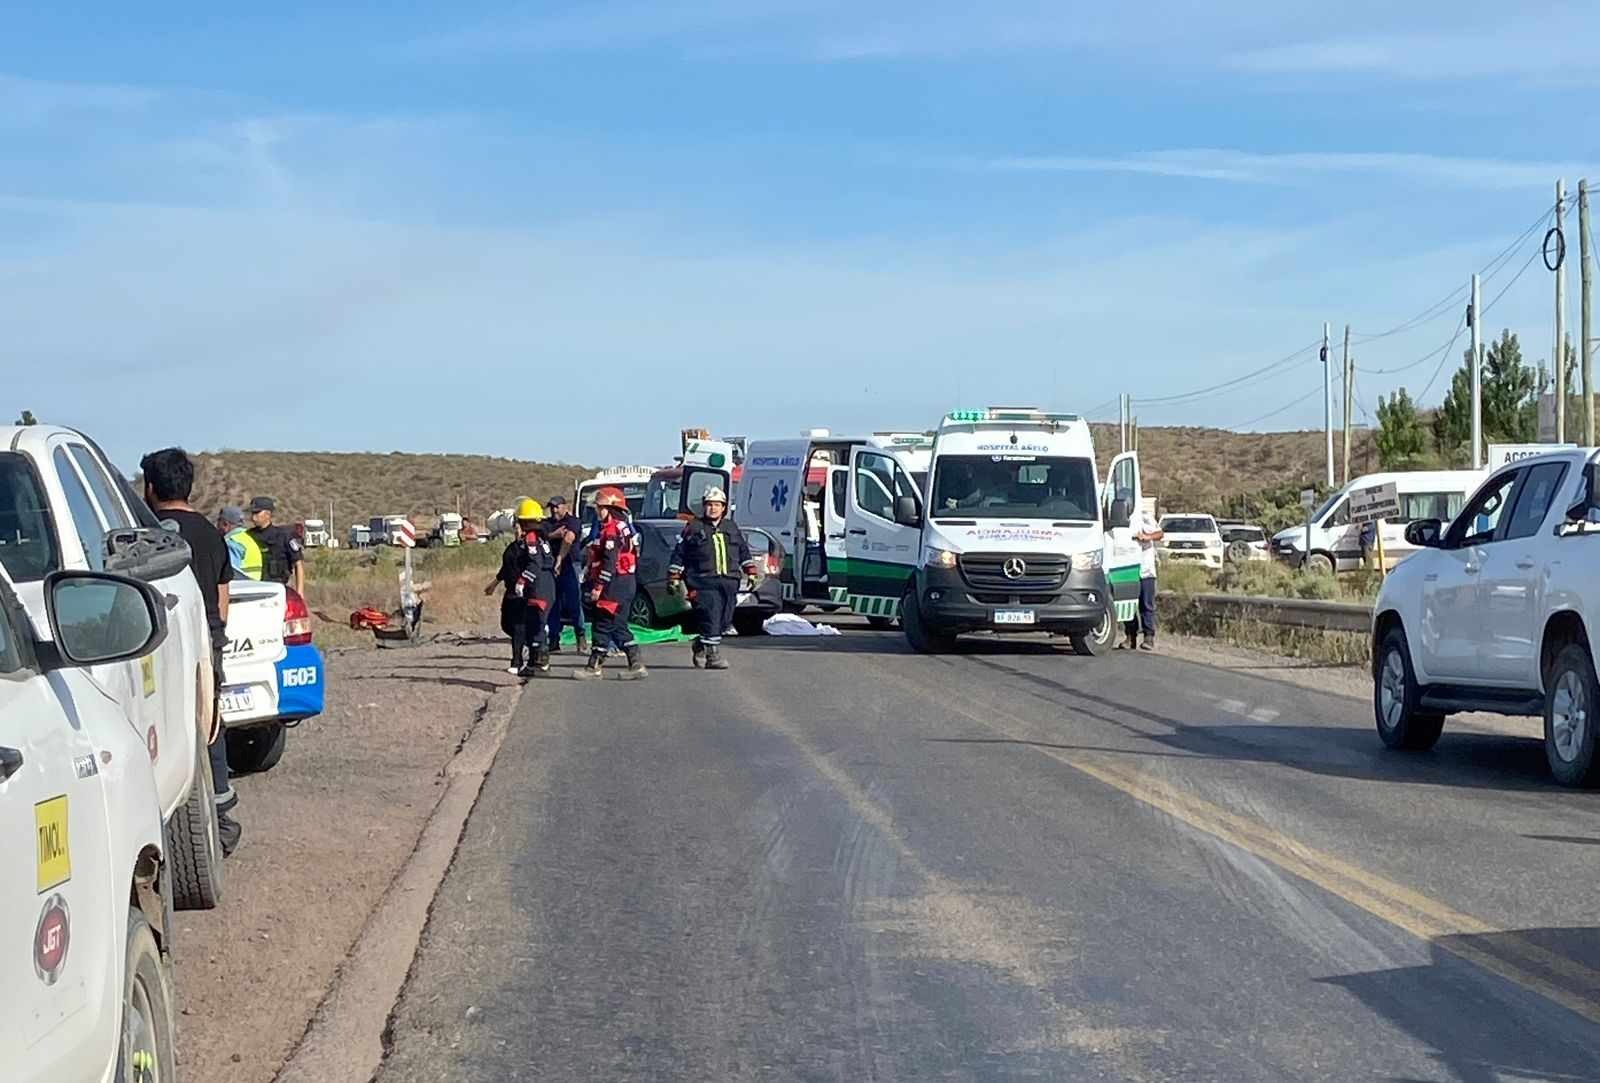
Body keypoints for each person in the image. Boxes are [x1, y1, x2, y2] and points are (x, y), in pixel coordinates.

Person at [141, 448, 242, 855]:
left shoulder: (147, 532)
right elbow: (222, 598)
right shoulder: (211, 534)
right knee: (209, 725)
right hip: (206, 642)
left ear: (150, 487)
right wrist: (215, 640)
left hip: (156, 643)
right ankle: (220, 814)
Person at [669, 486, 758, 671]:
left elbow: (742, 550)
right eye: (709, 505)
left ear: (724, 507)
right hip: (703, 582)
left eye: (717, 505)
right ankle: (713, 656)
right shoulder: (693, 527)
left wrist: (750, 571)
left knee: (724, 621)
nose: (713, 508)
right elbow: (679, 553)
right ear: (704, 506)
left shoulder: (731, 527)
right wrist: (674, 576)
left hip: (729, 581)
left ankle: (700, 644)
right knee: (711, 616)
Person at [574, 486, 647, 680]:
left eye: (599, 507)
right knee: (618, 625)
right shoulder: (622, 528)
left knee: (603, 624)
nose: (597, 511)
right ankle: (636, 663)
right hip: (625, 583)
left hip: (614, 585)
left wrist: (598, 587)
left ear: (611, 508)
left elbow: (610, 561)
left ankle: (594, 667)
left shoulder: (613, 531)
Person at [485, 499, 555, 675]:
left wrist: (522, 581)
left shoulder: (531, 537)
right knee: (535, 624)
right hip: (546, 584)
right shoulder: (542, 537)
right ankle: (536, 663)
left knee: (535, 627)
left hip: (538, 586)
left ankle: (537, 664)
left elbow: (535, 564)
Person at [542, 494, 589, 655]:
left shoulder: (573, 521)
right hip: (550, 566)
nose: (554, 510)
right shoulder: (546, 524)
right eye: (552, 507)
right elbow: (541, 536)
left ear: (565, 506)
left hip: (570, 564)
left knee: (574, 601)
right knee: (553, 602)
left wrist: (560, 560)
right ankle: (554, 639)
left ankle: (581, 637)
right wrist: (552, 535)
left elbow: (568, 539)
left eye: (557, 506)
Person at [1121, 493, 1163, 652]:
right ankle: (1130, 636)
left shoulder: (1142, 517)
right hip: (1126, 569)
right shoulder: (1119, 521)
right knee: (1127, 604)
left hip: (1145, 569)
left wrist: (1146, 536)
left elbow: (1159, 533)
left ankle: (1149, 636)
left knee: (1146, 605)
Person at [246, 496, 305, 597]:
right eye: (252, 513)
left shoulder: (284, 536)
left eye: (257, 513)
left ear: (268, 514)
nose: (253, 517)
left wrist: (300, 592)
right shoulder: (247, 536)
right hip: (253, 590)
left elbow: (298, 563)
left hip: (279, 589)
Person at [218, 505, 263, 580]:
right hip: (254, 585)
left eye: (219, 521)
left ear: (225, 524)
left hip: (241, 586)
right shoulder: (247, 538)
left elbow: (230, 572)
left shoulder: (232, 542)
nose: (217, 526)